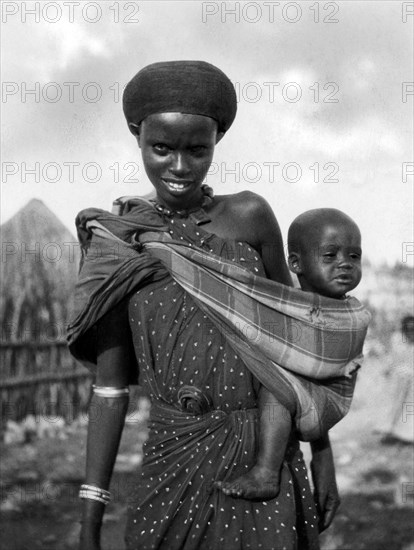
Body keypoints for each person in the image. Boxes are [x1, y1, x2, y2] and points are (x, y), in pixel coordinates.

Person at [68, 61, 342, 550]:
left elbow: (294, 345)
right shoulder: (117, 245)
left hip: (264, 455)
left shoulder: (251, 217)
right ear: (137, 136)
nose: (179, 166)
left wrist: (322, 456)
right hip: (172, 455)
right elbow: (109, 389)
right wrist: (90, 520)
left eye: (198, 150)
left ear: (217, 141)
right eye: (162, 148)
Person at [215, 208, 365, 500]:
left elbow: (330, 355)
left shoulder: (350, 312)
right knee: (278, 384)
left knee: (275, 388)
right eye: (331, 255)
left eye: (354, 256)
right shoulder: (287, 305)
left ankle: (267, 472)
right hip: (306, 407)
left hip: (326, 402)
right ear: (296, 263)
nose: (345, 264)